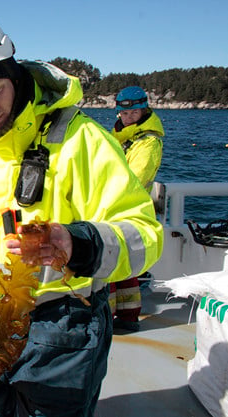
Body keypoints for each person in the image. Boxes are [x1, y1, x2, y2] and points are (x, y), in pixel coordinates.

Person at [0, 11, 163, 417]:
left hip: (62, 330)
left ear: (15, 74)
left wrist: (78, 242)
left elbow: (145, 233)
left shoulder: (81, 138)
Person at [109, 86, 165, 331]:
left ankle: (122, 318)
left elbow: (136, 179)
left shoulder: (148, 142)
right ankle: (123, 317)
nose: (128, 117)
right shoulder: (123, 137)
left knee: (112, 265)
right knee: (119, 265)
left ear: (144, 109)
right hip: (115, 206)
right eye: (124, 113)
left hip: (128, 208)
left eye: (133, 113)